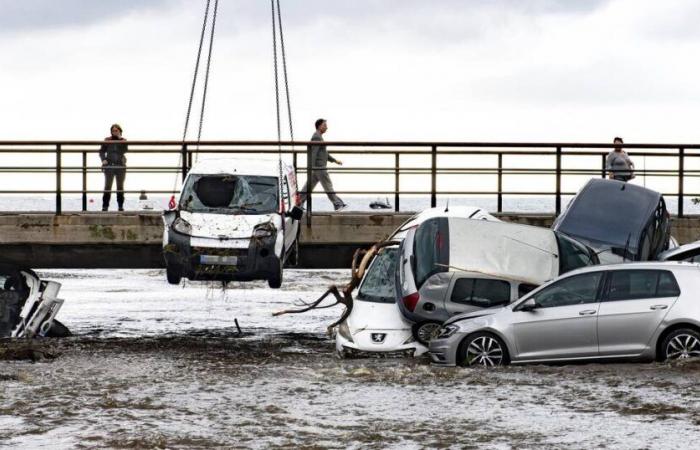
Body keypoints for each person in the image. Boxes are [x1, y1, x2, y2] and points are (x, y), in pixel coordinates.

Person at [299, 118, 348, 211]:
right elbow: (313, 153)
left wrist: (334, 160)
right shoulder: (316, 137)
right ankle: (337, 204)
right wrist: (311, 167)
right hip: (319, 168)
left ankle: (298, 203)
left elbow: (324, 153)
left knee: (308, 186)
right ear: (319, 126)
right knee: (328, 185)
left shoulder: (319, 137)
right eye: (325, 125)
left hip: (316, 168)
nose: (327, 127)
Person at [99, 123, 128, 211]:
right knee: (107, 187)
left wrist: (120, 139)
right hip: (109, 166)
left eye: (116, 130)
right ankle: (105, 206)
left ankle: (120, 206)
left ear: (120, 131)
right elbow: (101, 151)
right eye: (113, 131)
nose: (114, 132)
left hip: (120, 166)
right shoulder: (107, 140)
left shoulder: (123, 140)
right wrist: (103, 159)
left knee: (120, 187)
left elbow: (125, 150)